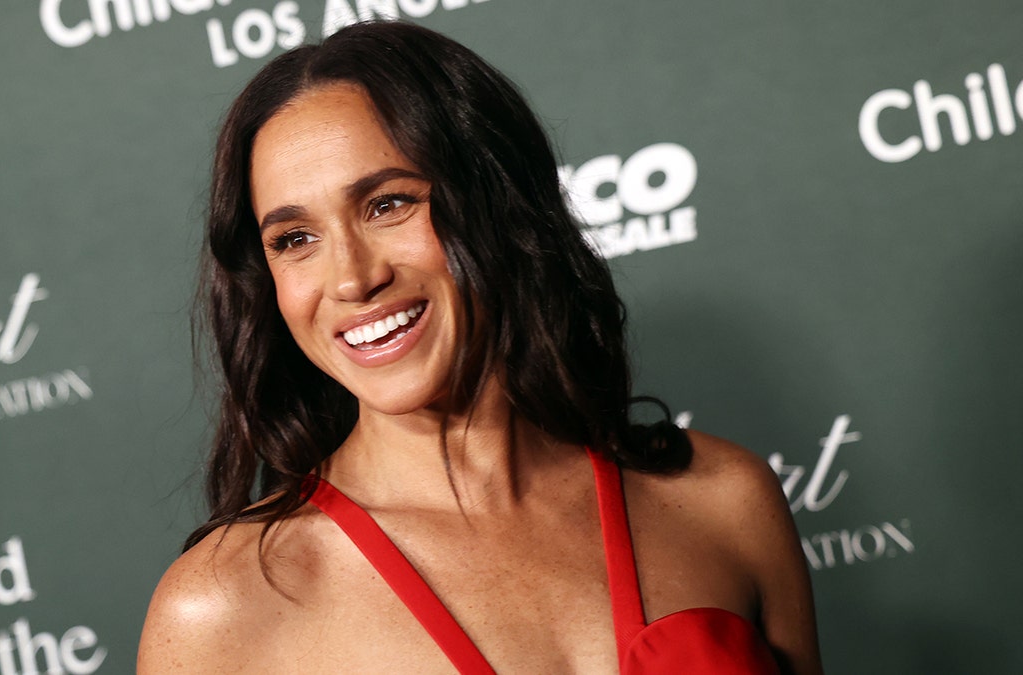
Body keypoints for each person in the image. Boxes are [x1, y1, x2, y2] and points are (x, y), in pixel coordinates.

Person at [138, 21, 822, 674]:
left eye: (387, 204)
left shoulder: (724, 502)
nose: (351, 277)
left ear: (498, 201)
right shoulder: (221, 607)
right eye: (295, 239)